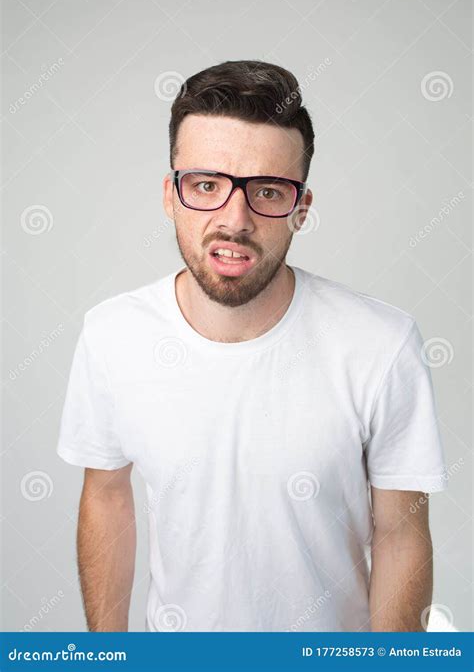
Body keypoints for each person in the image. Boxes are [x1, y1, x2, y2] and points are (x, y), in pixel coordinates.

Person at [56, 60, 447, 633]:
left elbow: (401, 531)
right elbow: (107, 498)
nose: (234, 220)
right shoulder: (112, 334)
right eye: (207, 186)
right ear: (172, 196)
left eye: (267, 191)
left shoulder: (380, 344)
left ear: (300, 208)